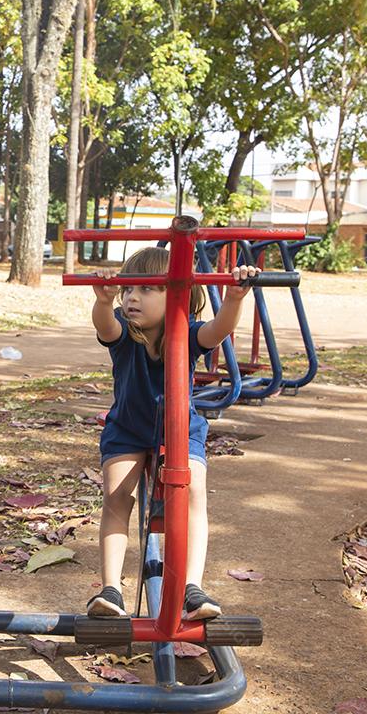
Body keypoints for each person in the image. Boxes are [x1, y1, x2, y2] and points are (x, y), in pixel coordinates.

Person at [85, 247, 258, 621]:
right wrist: (103, 300)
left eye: (147, 289)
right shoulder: (123, 331)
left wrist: (234, 298)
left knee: (193, 493)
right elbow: (104, 326)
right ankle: (111, 589)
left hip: (180, 431)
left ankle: (191, 587)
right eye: (128, 289)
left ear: (177, 294)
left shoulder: (187, 333)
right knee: (117, 497)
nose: (132, 298)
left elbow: (219, 329)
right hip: (127, 429)